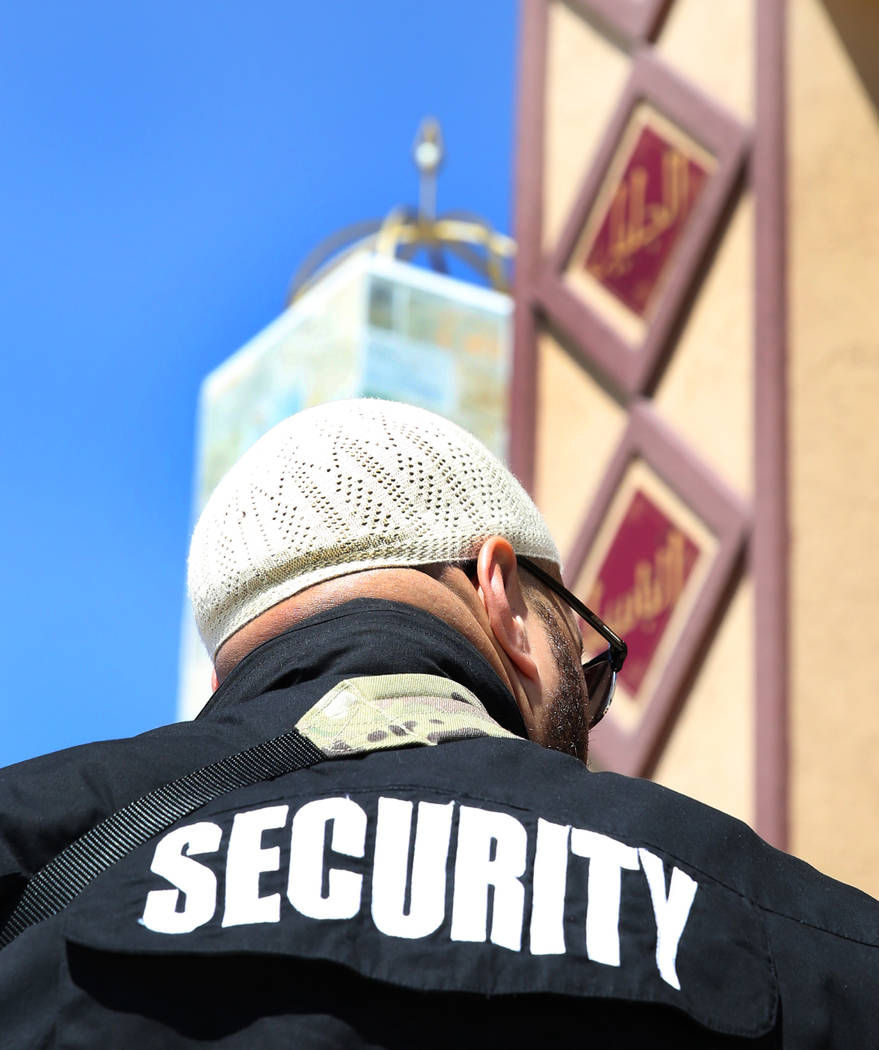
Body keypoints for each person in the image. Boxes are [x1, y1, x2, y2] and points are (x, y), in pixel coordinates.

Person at [0, 398, 876, 1048]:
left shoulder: (42, 842)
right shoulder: (796, 933)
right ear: (498, 590)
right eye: (584, 659)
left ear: (234, 660)